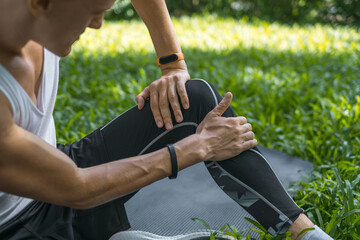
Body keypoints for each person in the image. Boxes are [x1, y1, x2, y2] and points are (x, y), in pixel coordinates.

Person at [0, 0, 333, 239]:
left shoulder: (33, 17)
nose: (98, 24)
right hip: (19, 225)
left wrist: (171, 63)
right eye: (93, 12)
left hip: (58, 166)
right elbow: (76, 189)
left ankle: (304, 234)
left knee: (195, 99)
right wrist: (196, 148)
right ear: (40, 3)